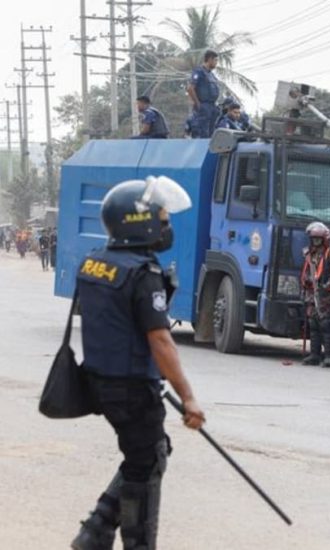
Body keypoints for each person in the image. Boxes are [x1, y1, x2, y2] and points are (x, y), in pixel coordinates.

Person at [71, 176, 205, 550]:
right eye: (161, 219)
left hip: (100, 381)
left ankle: (95, 532)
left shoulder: (94, 263)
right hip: (131, 387)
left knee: (148, 453)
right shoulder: (143, 273)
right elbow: (161, 340)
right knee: (146, 465)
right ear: (138, 222)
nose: (166, 227)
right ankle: (129, 542)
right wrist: (188, 398)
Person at [300, 222, 330, 368]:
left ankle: (329, 355)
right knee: (313, 324)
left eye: (319, 239)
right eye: (314, 239)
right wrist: (305, 284)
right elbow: (305, 272)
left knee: (326, 324)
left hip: (325, 295)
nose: (316, 242)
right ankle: (314, 354)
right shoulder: (310, 255)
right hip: (311, 294)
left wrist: (326, 285)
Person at [186, 49, 221, 138]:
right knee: (203, 133)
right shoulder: (199, 72)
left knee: (211, 134)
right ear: (209, 59)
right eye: (215, 60)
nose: (216, 63)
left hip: (212, 106)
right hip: (203, 106)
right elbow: (190, 88)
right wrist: (198, 104)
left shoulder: (211, 75)